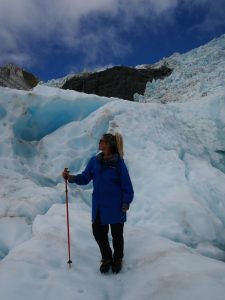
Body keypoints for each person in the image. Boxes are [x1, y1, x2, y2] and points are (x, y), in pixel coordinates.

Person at [62, 132, 134, 274]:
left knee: (117, 235)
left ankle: (118, 258)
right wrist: (70, 178)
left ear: (108, 145)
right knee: (98, 232)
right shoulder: (94, 161)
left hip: (116, 206)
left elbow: (127, 186)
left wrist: (126, 202)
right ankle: (107, 258)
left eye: (102, 141)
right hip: (99, 207)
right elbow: (85, 178)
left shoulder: (119, 164)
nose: (99, 142)